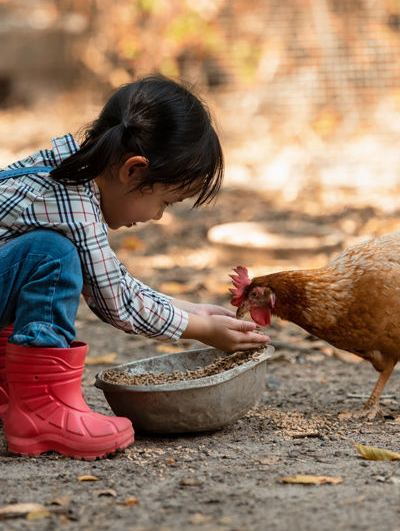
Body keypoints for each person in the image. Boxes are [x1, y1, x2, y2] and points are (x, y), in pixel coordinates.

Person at [0, 74, 270, 460]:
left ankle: (14, 391)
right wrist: (200, 329)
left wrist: (190, 310)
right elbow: (118, 303)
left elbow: (114, 279)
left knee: (39, 261)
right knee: (50, 256)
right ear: (133, 170)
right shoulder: (73, 206)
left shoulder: (65, 177)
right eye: (166, 201)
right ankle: (42, 411)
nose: (159, 216)